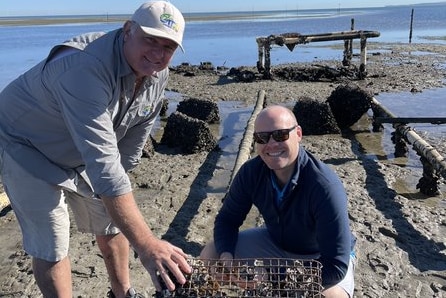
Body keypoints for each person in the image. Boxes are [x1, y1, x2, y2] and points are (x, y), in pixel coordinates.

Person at [0, 1, 191, 297]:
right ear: (128, 30)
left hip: (81, 151)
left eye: (167, 47)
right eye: (150, 40)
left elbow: (131, 143)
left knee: (114, 222)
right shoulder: (83, 68)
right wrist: (148, 245)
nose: (157, 53)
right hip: (26, 145)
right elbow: (104, 166)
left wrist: (117, 197)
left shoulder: (156, 73)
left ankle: (121, 292)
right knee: (52, 242)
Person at [200, 105, 356, 298]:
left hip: (319, 257)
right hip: (275, 243)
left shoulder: (324, 186)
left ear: (298, 133)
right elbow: (227, 220)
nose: (271, 144)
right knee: (211, 253)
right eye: (262, 138)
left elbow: (336, 265)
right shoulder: (251, 173)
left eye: (280, 135)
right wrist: (228, 260)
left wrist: (275, 278)